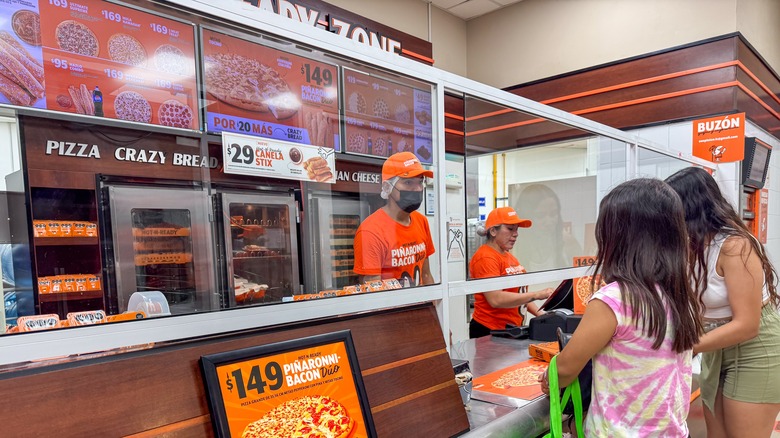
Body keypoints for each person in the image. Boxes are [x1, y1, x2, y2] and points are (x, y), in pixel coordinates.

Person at [539, 178, 702, 437]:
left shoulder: (614, 299)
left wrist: (548, 379)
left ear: (617, 238)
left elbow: (565, 369)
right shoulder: (680, 297)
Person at [666, 167, 780, 438]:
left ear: (691, 208)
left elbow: (747, 324)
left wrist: (685, 346)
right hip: (716, 345)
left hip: (757, 346)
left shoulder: (734, 246)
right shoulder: (688, 247)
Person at [468, 206, 553, 338]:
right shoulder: (485, 257)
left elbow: (520, 294)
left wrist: (540, 314)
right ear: (493, 231)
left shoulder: (509, 257)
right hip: (490, 331)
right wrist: (536, 294)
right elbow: (495, 299)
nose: (516, 234)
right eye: (510, 229)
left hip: (511, 329)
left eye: (517, 229)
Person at [353, 152, 435, 287]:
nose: (417, 189)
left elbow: (426, 274)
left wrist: (434, 306)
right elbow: (373, 292)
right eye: (408, 182)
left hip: (421, 306)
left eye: (420, 182)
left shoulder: (421, 221)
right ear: (387, 187)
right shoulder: (370, 232)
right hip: (393, 307)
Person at [513, 184, 582, 272]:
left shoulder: (568, 243)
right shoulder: (514, 247)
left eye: (553, 214)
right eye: (540, 216)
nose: (549, 222)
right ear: (526, 217)